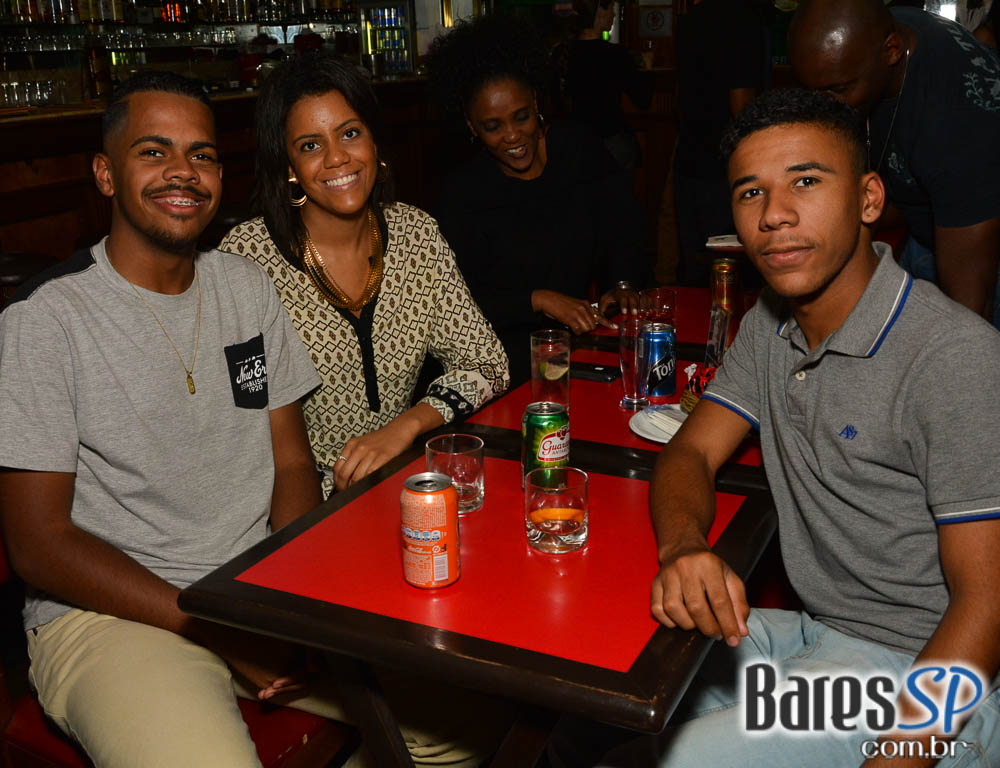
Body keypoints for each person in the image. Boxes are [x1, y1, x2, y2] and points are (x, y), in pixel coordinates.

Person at [0, 71, 508, 768]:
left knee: (471, 726)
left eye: (202, 154)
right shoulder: (45, 320)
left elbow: (290, 459)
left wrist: (286, 592)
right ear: (105, 174)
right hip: (113, 614)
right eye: (154, 151)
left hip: (253, 584)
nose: (183, 170)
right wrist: (218, 626)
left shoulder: (243, 291)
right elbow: (37, 544)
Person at [591, 88, 1000, 767]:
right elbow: (691, 451)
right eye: (751, 192)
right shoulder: (770, 324)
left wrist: (894, 758)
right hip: (815, 636)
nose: (774, 214)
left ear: (869, 199)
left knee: (677, 759)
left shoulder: (954, 356)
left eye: (805, 181)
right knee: (600, 696)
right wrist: (684, 548)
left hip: (929, 678)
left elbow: (987, 606)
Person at [220, 56, 509, 496]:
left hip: (394, 485)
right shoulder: (248, 256)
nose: (337, 157)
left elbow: (487, 364)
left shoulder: (416, 234)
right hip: (290, 505)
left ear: (374, 142)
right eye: (310, 145)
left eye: (350, 133)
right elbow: (239, 418)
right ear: (289, 166)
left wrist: (405, 427)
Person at [427, 15, 648, 381]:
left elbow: (626, 228)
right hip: (501, 362)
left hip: (579, 347)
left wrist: (621, 285)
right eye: (493, 126)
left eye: (522, 117)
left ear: (535, 101)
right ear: (471, 126)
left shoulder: (577, 151)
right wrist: (538, 299)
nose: (513, 136)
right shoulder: (463, 193)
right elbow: (456, 302)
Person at [790, 0, 1000, 329]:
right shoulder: (878, 32)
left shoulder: (957, 125)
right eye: (812, 92)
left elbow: (970, 316)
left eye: (838, 89)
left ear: (891, 51)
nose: (824, 109)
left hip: (977, 250)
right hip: (929, 222)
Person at [673, 0, 767, 287]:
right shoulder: (742, 21)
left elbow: (681, 95)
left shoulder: (689, 20)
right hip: (726, 166)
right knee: (734, 273)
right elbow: (741, 106)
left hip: (689, 158)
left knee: (697, 269)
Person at [564, 0, 653, 172]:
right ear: (600, 12)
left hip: (576, 145)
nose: (614, 14)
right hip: (612, 144)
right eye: (611, 8)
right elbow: (643, 100)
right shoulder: (615, 54)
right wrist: (648, 68)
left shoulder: (564, 54)